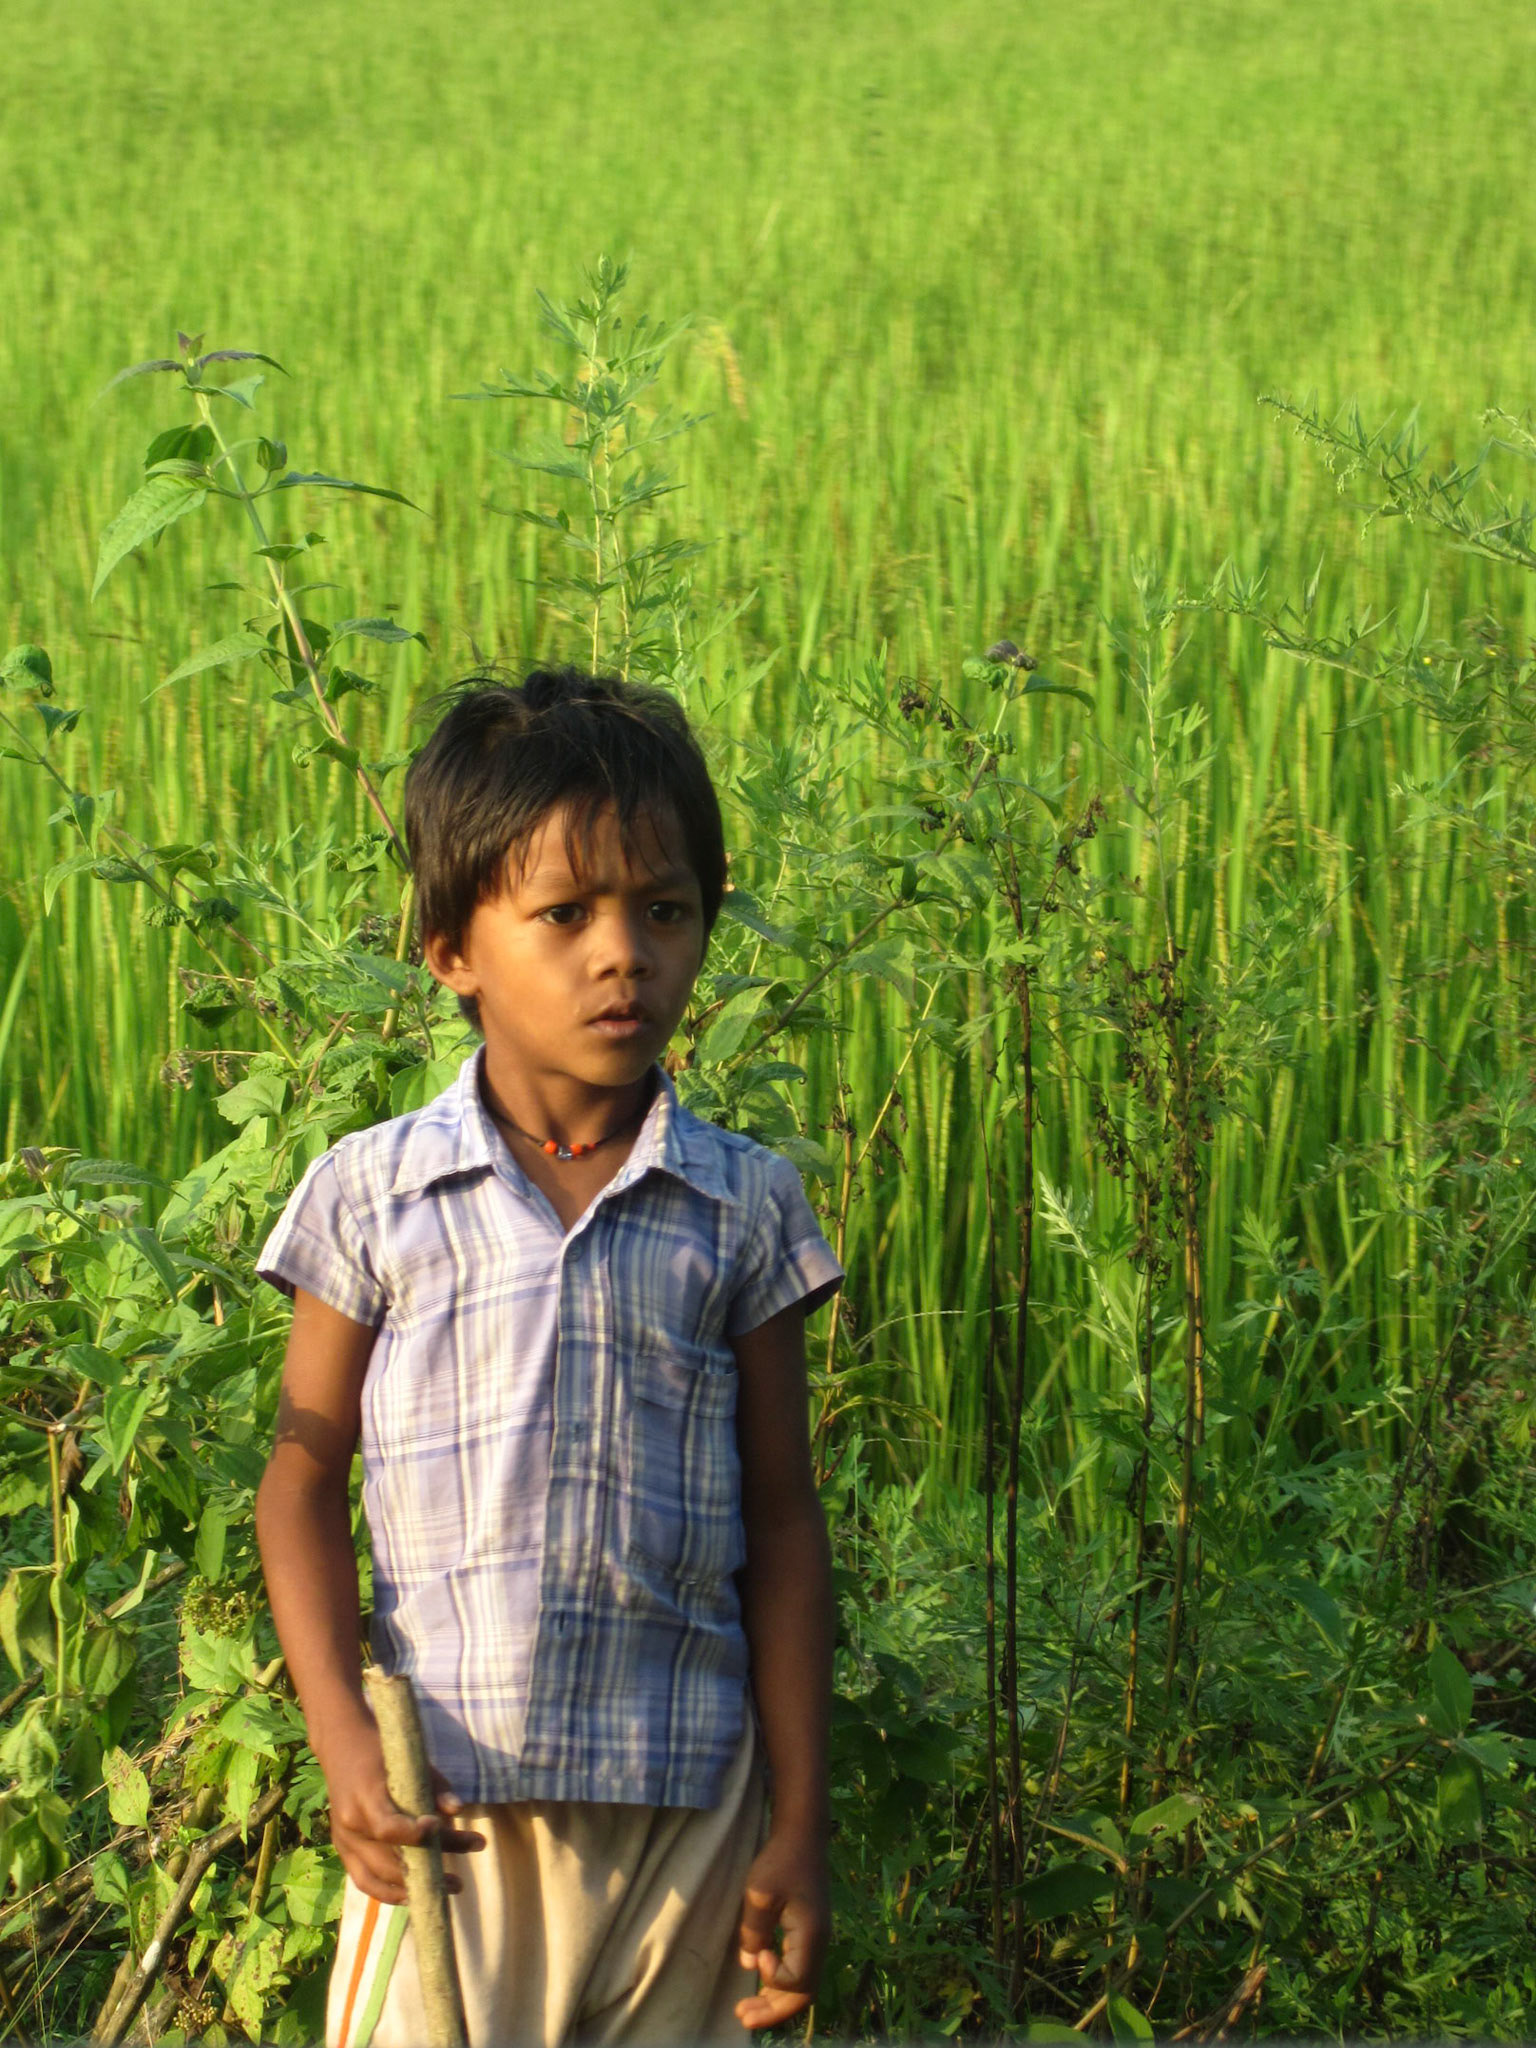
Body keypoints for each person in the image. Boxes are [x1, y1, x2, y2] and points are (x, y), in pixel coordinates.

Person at [254, 668, 842, 2048]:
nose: (622, 953)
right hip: (445, 1811)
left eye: (665, 908)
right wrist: (344, 1745)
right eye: (565, 914)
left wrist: (798, 1823)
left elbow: (783, 1518)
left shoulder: (743, 1205)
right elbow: (301, 1472)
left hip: (689, 1812)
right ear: (452, 947)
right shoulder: (374, 1195)